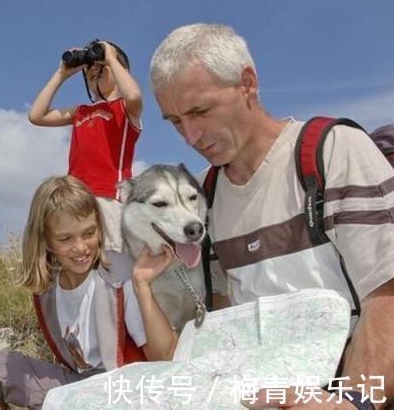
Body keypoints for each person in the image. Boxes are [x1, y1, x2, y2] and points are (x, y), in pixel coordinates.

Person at [150, 23, 394, 408]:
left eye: (200, 110)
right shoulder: (201, 199)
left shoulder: (332, 152)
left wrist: (353, 401)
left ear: (247, 84)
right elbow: (226, 314)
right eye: (175, 121)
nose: (190, 136)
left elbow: (387, 293)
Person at [0, 176, 177, 409]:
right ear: (46, 241)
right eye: (65, 238)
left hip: (122, 390)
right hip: (79, 385)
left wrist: (141, 284)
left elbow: (166, 358)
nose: (81, 247)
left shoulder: (119, 279)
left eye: (89, 233)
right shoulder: (47, 291)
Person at [27, 40, 142, 259]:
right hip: (74, 198)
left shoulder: (125, 108)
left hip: (108, 197)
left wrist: (110, 57)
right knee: (75, 260)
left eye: (101, 66)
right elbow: (37, 116)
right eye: (90, 67)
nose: (94, 70)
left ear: (121, 71)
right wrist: (62, 73)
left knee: (110, 261)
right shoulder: (80, 112)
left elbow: (134, 95)